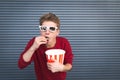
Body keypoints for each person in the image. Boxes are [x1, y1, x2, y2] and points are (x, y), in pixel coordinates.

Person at [18, 12, 73, 80]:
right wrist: (33, 48)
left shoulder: (64, 42)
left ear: (57, 32)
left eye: (52, 28)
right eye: (44, 28)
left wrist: (62, 68)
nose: (47, 32)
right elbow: (21, 65)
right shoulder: (34, 42)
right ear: (40, 30)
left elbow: (69, 66)